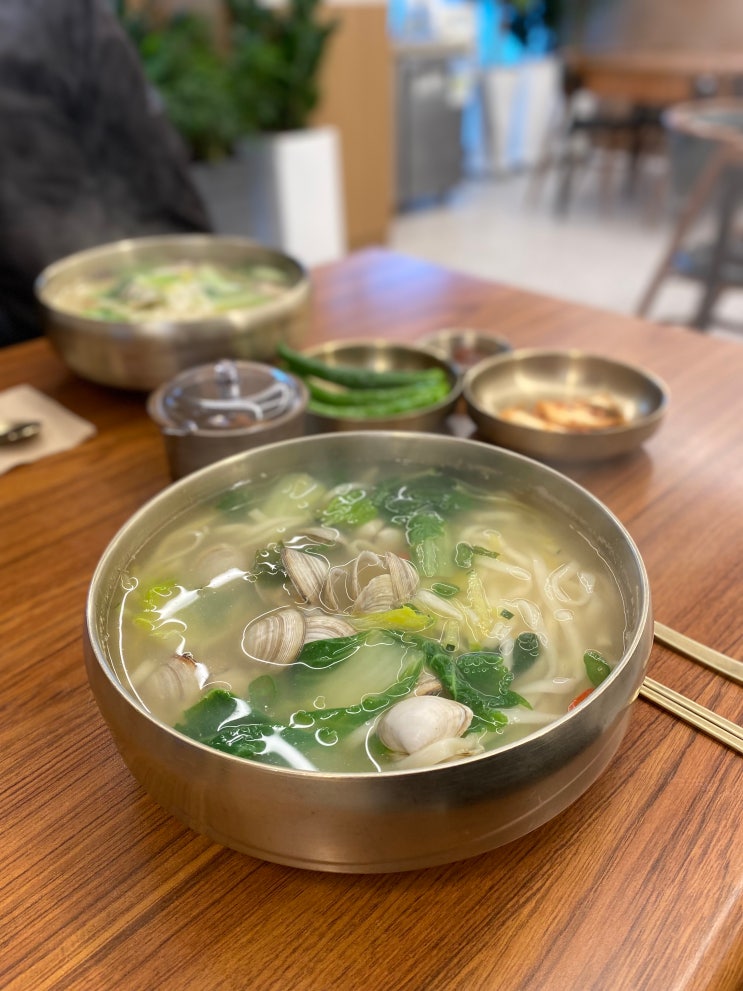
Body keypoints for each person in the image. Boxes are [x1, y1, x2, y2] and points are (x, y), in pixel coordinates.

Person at [0, 0, 212, 346]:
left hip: (130, 290)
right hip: (47, 322)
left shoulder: (69, 13)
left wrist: (196, 261)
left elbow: (148, 151)